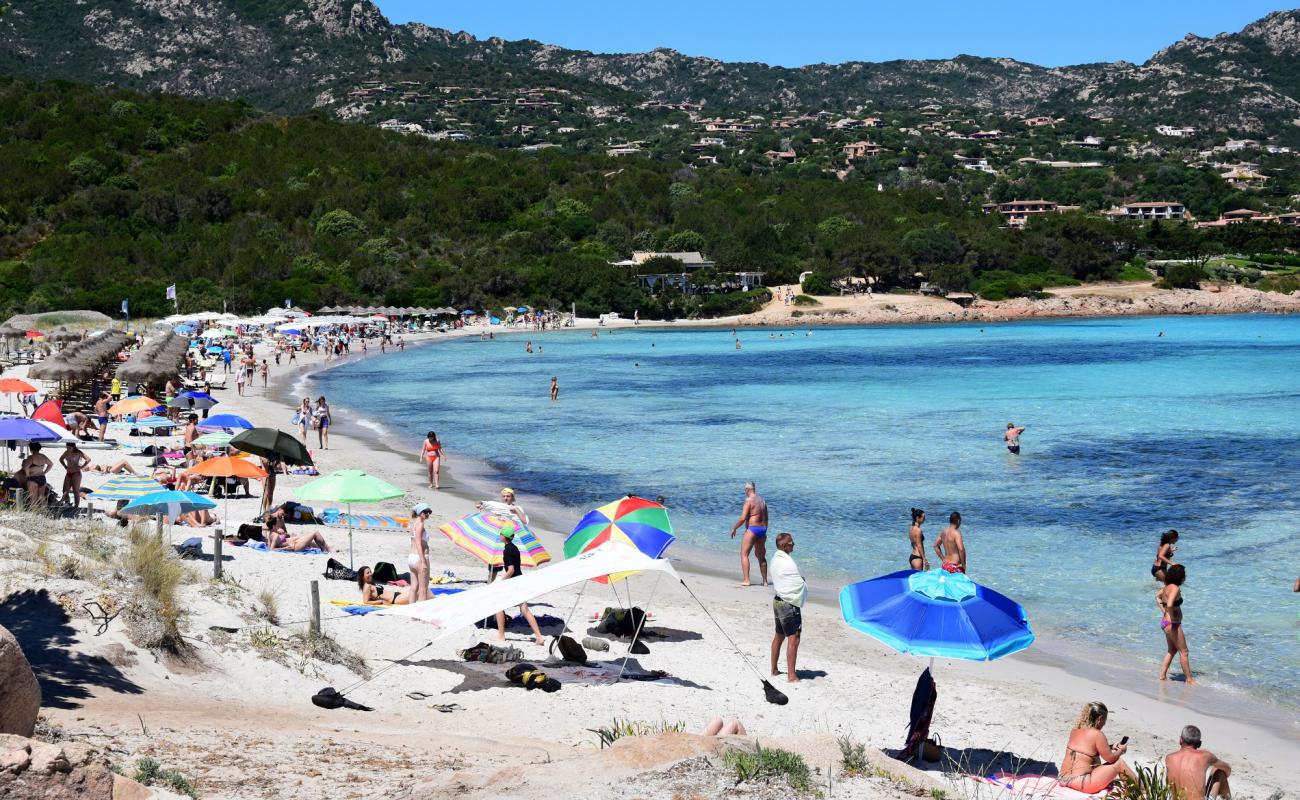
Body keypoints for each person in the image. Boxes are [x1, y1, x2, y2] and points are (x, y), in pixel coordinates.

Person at [1058, 702, 1135, 793]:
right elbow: (1111, 759)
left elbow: (1089, 751)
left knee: (1095, 759)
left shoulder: (1075, 730)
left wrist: (1111, 746)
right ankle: (1140, 790)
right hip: (1082, 783)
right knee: (1119, 763)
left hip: (1063, 779)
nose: (1104, 724)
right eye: (1104, 721)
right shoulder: (1097, 734)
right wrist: (1121, 750)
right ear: (1100, 719)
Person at [492, 522, 545, 646]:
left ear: (503, 536)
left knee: (498, 606)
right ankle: (539, 637)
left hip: (513, 582)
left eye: (500, 534)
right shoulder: (515, 548)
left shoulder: (507, 550)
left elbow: (510, 570)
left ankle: (501, 635)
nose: (499, 535)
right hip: (519, 579)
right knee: (525, 610)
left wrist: (501, 581)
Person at [769, 532, 805, 683]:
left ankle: (774, 670)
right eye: (791, 543)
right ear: (784, 546)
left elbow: (786, 579)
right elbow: (796, 582)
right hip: (788, 604)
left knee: (779, 635)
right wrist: (802, 581)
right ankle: (791, 676)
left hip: (778, 601)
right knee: (794, 638)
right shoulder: (788, 563)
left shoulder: (776, 559)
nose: (793, 545)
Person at [1166, 725, 1230, 800]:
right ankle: (1228, 798)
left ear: (1180, 740)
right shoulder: (1205, 756)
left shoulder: (1169, 758)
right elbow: (1227, 769)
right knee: (1218, 771)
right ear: (1199, 744)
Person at [1157, 564, 1194, 683]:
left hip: (1165, 622)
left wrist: (1164, 612)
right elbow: (1170, 604)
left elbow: (1157, 597)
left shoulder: (1167, 587)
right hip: (1172, 623)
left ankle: (1162, 675)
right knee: (1184, 652)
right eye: (1184, 575)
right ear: (1180, 577)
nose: (1185, 577)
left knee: (1172, 650)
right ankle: (1189, 679)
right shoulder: (1175, 588)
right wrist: (1172, 618)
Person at [728, 481, 769, 587]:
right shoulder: (762, 500)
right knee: (761, 556)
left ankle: (747, 580)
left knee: (744, 554)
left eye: (744, 490)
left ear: (747, 489)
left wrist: (734, 528)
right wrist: (765, 531)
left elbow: (742, 518)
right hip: (763, 529)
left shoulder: (749, 500)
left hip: (752, 529)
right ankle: (765, 581)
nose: (744, 492)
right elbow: (766, 517)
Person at [408, 503, 432, 603]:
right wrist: (423, 561)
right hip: (419, 558)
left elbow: (412, 541)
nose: (427, 514)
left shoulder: (413, 524)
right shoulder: (420, 525)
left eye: (429, 512)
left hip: (412, 557)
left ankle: (412, 613)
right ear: (420, 513)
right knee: (423, 589)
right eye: (425, 512)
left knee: (414, 587)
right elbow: (418, 543)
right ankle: (420, 616)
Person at [59, 443, 91, 508]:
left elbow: (88, 459)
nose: (68, 449)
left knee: (75, 491)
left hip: (76, 473)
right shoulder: (66, 452)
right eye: (67, 447)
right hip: (68, 473)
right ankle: (67, 503)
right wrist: (65, 466)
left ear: (73, 447)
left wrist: (82, 467)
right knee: (65, 490)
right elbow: (61, 459)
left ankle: (76, 506)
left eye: (69, 448)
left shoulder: (78, 452)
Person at [19, 443, 52, 507]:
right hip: (42, 477)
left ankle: (35, 513)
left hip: (32, 478)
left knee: (33, 498)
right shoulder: (43, 456)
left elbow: (26, 467)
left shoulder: (31, 457)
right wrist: (45, 472)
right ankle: (45, 512)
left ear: (31, 448)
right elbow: (50, 464)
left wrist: (28, 475)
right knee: (41, 497)